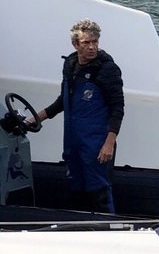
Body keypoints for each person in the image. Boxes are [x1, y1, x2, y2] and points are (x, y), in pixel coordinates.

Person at [31, 19, 124, 213]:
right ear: (75, 44)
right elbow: (62, 102)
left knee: (99, 189)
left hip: (97, 142)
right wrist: (35, 118)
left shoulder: (107, 69)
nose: (92, 47)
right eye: (86, 43)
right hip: (73, 141)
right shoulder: (70, 65)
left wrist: (109, 144)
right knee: (75, 188)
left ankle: (108, 227)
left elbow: (117, 109)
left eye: (95, 42)